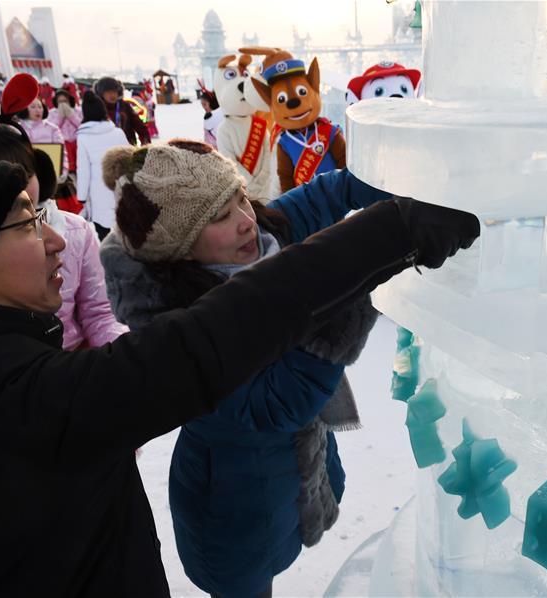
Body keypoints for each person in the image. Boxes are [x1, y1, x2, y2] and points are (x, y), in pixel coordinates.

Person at [0, 146, 478, 597]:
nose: (55, 240)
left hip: (290, 491)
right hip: (236, 513)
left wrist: (427, 174)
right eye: (25, 224)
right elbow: (211, 344)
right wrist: (379, 256)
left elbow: (323, 199)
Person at [99, 140, 401, 597]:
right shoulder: (176, 332)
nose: (245, 219)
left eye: (240, 196)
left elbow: (330, 194)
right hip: (231, 503)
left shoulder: (262, 239)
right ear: (181, 249)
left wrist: (411, 194)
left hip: (292, 476)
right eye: (219, 216)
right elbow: (280, 403)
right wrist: (357, 280)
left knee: (275, 556)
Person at [0, 117, 128, 351]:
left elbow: (99, 313)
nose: (17, 187)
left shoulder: (75, 231)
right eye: (0, 177)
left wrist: (121, 352)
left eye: (26, 174)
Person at [77, 91, 128, 239]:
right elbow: (129, 160)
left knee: (105, 235)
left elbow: (83, 170)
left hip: (98, 191)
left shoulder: (83, 136)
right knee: (125, 232)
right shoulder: (118, 132)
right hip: (121, 187)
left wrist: (81, 197)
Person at [16, 97, 68, 177]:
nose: (38, 110)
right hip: (26, 174)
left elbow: (62, 152)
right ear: (25, 109)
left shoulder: (52, 129)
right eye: (33, 107)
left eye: (40, 107)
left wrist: (63, 171)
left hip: (49, 173)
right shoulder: (17, 128)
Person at [94, 76, 150, 146]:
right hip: (105, 150)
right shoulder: (96, 109)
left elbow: (140, 127)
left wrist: (145, 145)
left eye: (114, 91)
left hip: (128, 148)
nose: (112, 95)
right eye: (108, 92)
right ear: (101, 93)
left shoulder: (124, 106)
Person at [47, 88, 82, 172]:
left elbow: (82, 125)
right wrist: (60, 117)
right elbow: (52, 128)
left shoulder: (78, 110)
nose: (63, 104)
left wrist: (71, 116)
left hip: (78, 142)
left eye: (65, 101)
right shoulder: (52, 113)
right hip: (63, 143)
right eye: (60, 102)